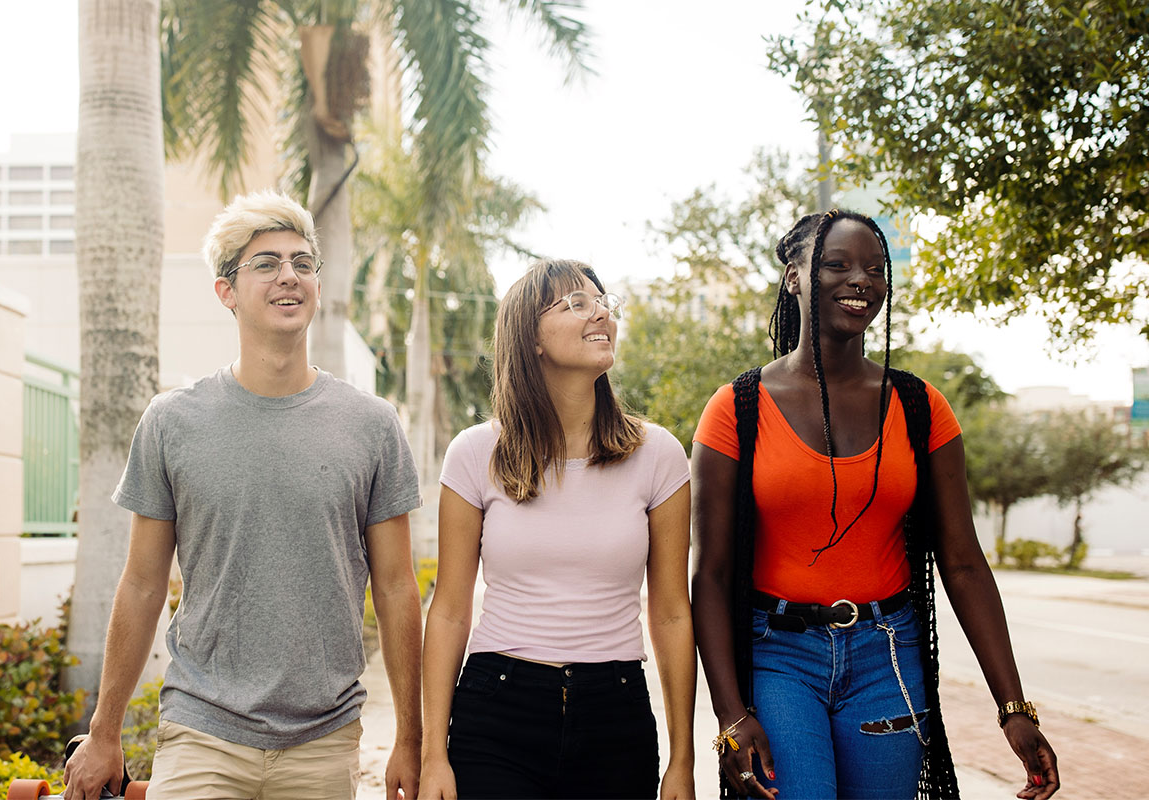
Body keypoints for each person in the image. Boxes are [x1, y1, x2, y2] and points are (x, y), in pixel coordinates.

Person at [62, 190, 424, 800]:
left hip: (324, 740)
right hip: (201, 731)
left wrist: (412, 741)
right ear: (226, 291)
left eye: (303, 262)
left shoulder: (372, 424)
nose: (290, 275)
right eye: (267, 263)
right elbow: (143, 584)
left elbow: (395, 588)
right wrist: (104, 732)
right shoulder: (172, 421)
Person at [690, 209, 1060, 800]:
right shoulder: (737, 409)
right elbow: (709, 573)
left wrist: (1013, 707)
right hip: (778, 656)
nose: (860, 279)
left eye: (875, 268)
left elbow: (962, 563)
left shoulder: (921, 407)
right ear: (794, 278)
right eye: (837, 264)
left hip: (887, 655)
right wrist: (731, 716)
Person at [418, 259, 696, 800]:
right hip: (497, 711)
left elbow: (670, 612)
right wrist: (432, 755)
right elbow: (450, 609)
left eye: (601, 300)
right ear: (532, 339)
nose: (601, 313)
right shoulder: (476, 454)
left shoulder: (658, 454)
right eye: (574, 303)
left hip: (616, 715)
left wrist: (682, 761)